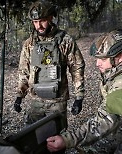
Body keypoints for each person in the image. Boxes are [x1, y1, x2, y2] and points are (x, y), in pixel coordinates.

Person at [46, 29, 122, 153]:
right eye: (97, 58)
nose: (97, 63)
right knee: (94, 148)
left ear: (119, 57)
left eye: (103, 59)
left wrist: (67, 140)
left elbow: (105, 121)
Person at [14, 0, 85, 129]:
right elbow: (24, 71)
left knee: (57, 138)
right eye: (35, 22)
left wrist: (79, 96)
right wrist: (20, 95)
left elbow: (76, 67)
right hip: (36, 99)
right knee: (33, 136)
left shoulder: (65, 40)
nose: (38, 25)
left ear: (51, 18)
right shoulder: (29, 44)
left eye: (42, 21)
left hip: (57, 100)